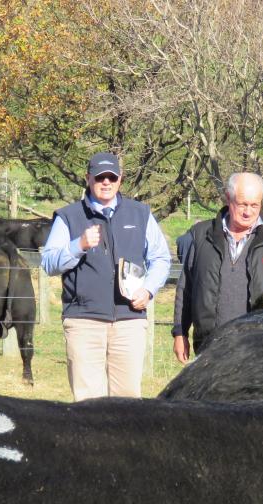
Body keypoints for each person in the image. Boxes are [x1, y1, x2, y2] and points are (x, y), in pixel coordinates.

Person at [41, 151, 171, 401]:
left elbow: (161, 259)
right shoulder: (69, 217)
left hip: (129, 321)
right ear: (88, 178)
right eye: (100, 177)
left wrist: (149, 290)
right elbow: (49, 263)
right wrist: (77, 245)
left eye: (112, 177)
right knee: (89, 402)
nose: (106, 183)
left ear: (120, 179)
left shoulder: (140, 214)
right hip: (84, 321)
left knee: (128, 401)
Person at [172, 172, 263, 363]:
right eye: (242, 204)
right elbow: (186, 289)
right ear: (228, 198)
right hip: (210, 347)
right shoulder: (201, 237)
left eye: (254, 205)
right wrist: (180, 331)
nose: (248, 212)